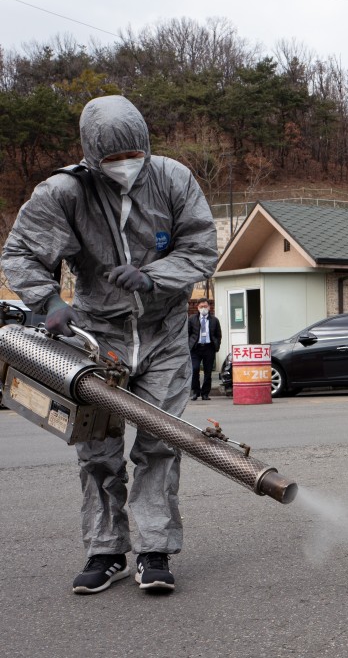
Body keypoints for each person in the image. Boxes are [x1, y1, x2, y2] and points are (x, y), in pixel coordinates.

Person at [1, 95, 218, 594]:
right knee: (97, 449)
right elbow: (21, 252)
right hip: (98, 339)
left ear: (145, 146)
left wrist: (152, 276)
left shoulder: (172, 179)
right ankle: (105, 551)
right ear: (91, 155)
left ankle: (155, 550)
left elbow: (201, 246)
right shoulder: (64, 192)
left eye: (132, 156)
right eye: (112, 160)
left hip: (163, 334)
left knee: (160, 443)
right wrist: (48, 299)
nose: (124, 167)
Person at [188, 298, 222, 400]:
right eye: (201, 307)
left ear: (209, 307)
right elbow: (187, 333)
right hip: (195, 348)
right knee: (194, 369)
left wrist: (217, 345)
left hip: (209, 348)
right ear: (197, 308)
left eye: (205, 306)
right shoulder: (192, 319)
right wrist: (189, 345)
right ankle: (195, 392)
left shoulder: (214, 320)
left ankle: (205, 393)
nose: (203, 308)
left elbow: (218, 334)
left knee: (208, 372)